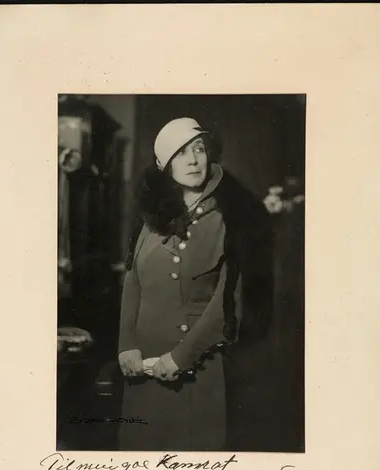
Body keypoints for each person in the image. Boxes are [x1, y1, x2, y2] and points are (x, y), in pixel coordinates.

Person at [117, 117, 273, 451]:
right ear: (164, 165)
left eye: (198, 149)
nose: (192, 160)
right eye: (180, 153)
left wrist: (180, 357)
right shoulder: (151, 218)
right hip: (143, 372)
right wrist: (126, 344)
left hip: (199, 373)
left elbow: (227, 301)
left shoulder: (233, 217)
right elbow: (133, 281)